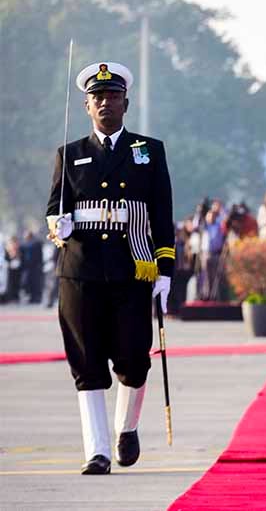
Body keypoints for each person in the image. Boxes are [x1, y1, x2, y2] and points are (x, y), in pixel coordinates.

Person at [45, 61, 174, 474]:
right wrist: (58, 224)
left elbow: (162, 213)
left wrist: (166, 270)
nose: (105, 102)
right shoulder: (71, 154)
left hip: (132, 269)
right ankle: (96, 451)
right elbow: (53, 210)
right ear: (86, 106)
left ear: (126, 103)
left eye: (113, 96)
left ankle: (126, 428)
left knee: (134, 359)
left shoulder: (148, 151)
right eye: (97, 97)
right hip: (81, 271)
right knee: (87, 361)